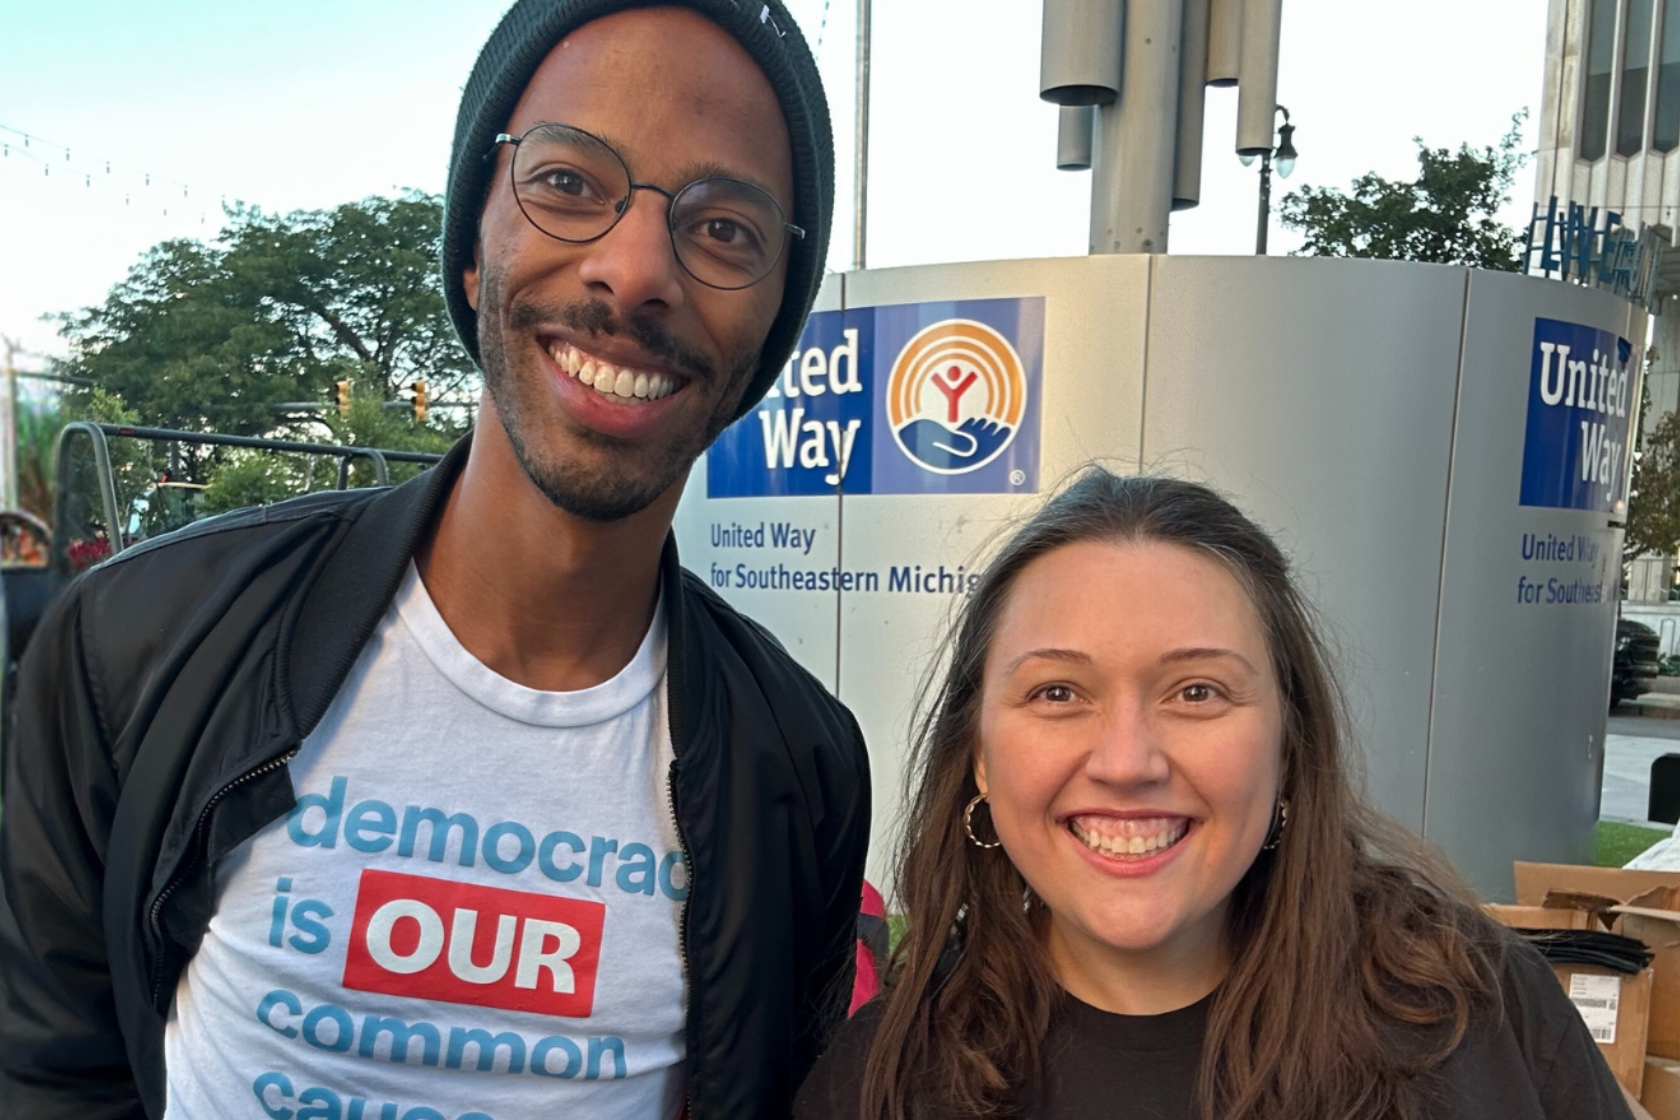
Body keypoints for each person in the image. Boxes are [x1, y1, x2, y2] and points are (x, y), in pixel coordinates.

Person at [0, 3, 869, 1119]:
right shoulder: (136, 644)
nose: (636, 267)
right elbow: (48, 1076)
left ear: (767, 340)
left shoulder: (799, 767)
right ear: (471, 249)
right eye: (566, 182)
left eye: (725, 231)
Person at [794, 469, 1631, 1120]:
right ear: (980, 756)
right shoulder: (885, 1083)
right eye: (1057, 693)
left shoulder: (1474, 1010)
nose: (1126, 761)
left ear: (1289, 744)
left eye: (1197, 692)